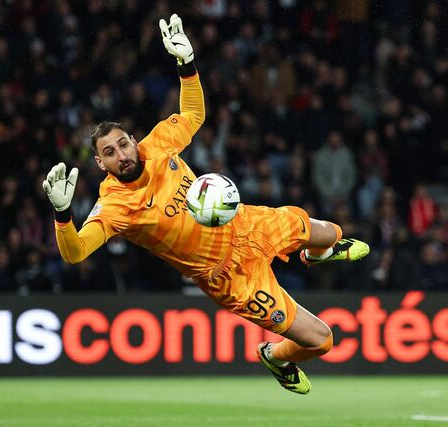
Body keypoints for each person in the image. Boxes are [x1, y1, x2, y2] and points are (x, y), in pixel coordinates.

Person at [42, 14, 370, 395]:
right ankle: (276, 357)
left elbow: (194, 114)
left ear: (133, 140)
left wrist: (187, 63)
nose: (122, 155)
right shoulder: (116, 207)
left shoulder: (157, 145)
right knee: (322, 340)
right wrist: (63, 215)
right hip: (230, 276)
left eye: (123, 144)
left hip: (246, 223)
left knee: (332, 232)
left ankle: (314, 255)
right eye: (110, 153)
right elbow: (75, 253)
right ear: (101, 164)